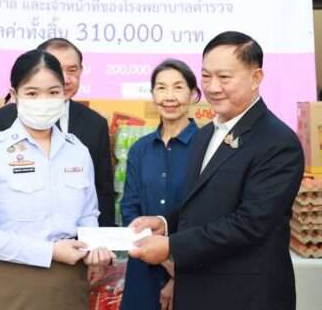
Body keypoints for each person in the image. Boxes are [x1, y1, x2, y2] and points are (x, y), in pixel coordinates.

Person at [128, 31, 304, 310]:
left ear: (256, 78)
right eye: (206, 76)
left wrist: (171, 246)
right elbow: (201, 204)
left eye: (224, 77)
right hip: (197, 290)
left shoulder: (277, 142)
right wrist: (164, 222)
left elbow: (250, 224)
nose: (213, 87)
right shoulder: (205, 134)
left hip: (246, 295)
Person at [0, 49, 115, 310]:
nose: (44, 101)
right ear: (14, 94)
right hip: (12, 285)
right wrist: (50, 252)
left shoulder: (77, 151)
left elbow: (88, 215)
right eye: (32, 93)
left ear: (64, 93)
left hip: (70, 284)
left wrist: (95, 248)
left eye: (53, 92)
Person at [0, 38, 116, 226]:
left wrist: (99, 239)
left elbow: (101, 192)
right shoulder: (2, 120)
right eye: (56, 68)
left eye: (72, 70)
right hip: (15, 239)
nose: (66, 78)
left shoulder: (95, 124)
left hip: (77, 240)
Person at [119, 59, 200, 310]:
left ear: (193, 94)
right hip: (143, 265)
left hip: (194, 269)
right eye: (161, 88)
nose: (169, 96)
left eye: (178, 87)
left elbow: (206, 214)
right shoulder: (140, 149)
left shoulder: (205, 146)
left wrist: (177, 273)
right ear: (153, 94)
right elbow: (129, 208)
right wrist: (164, 261)